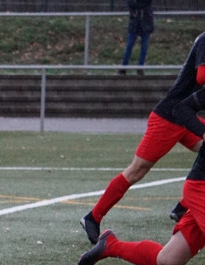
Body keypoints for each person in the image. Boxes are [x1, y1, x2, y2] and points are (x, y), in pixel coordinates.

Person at [78, 81, 205, 265]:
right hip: (202, 186)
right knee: (136, 169)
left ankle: (111, 245)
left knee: (167, 261)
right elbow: (181, 109)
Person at [80, 31, 205, 246]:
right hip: (169, 116)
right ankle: (93, 217)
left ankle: (182, 207)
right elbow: (202, 76)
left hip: (186, 116)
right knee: (136, 170)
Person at [120, 0, 153, 75]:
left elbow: (147, 2)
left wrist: (137, 4)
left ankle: (140, 67)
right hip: (135, 22)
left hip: (146, 22)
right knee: (129, 45)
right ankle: (124, 66)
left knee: (144, 47)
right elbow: (130, 3)